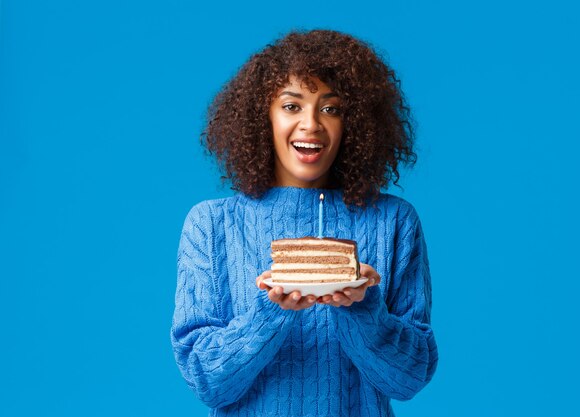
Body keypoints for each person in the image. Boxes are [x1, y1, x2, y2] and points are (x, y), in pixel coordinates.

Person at [171, 29, 438, 417]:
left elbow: (410, 378)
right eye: (292, 106)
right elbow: (206, 380)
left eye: (331, 109)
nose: (311, 124)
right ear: (263, 115)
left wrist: (364, 309)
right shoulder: (211, 225)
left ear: (355, 123)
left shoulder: (394, 221)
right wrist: (269, 313)